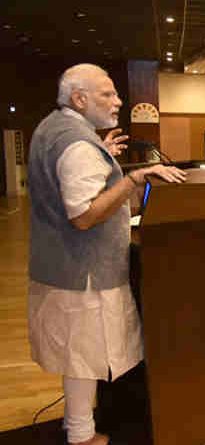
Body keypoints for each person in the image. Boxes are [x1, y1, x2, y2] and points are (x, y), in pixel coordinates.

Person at [27, 64, 186, 445]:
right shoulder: (78, 144)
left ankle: (77, 424)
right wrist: (134, 177)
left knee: (78, 356)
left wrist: (105, 155)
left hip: (62, 268)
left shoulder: (57, 129)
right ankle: (82, 436)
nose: (118, 102)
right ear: (79, 99)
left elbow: (76, 175)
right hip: (84, 274)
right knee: (84, 356)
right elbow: (83, 216)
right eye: (107, 94)